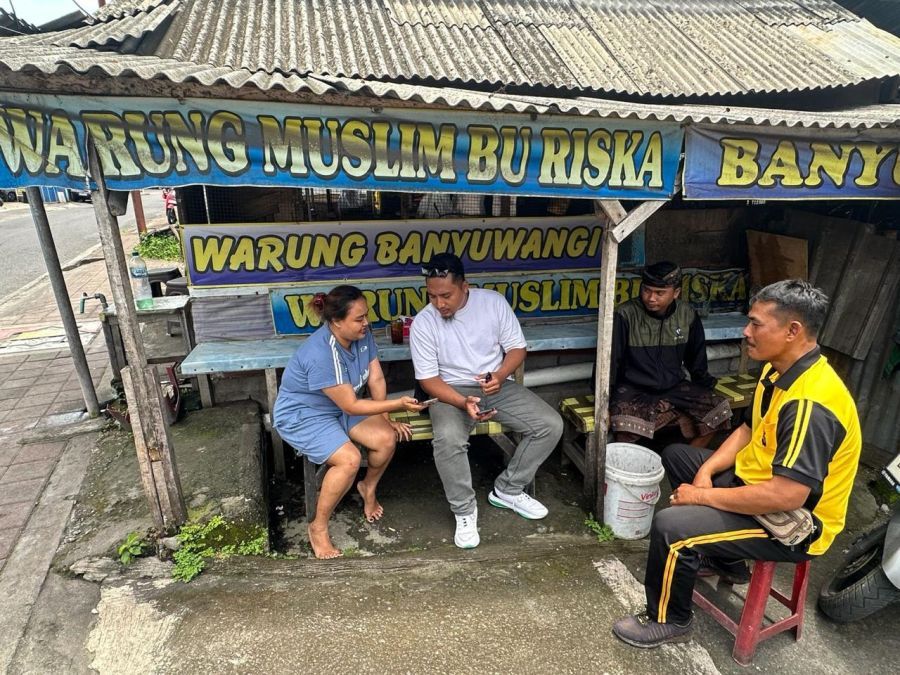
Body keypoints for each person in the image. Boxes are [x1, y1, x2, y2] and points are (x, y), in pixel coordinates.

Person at [612, 279, 861, 648]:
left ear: (793, 331)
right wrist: (706, 473)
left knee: (670, 527)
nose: (746, 331)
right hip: (755, 485)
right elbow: (747, 429)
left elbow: (787, 495)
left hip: (794, 524)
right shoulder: (778, 370)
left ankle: (669, 620)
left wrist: (702, 499)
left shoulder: (812, 403)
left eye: (756, 323)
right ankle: (728, 561)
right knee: (679, 455)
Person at [409, 253, 564, 549]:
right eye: (432, 296)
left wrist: (499, 374)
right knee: (449, 440)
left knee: (549, 424)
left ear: (464, 286)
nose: (439, 303)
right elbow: (429, 381)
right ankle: (465, 510)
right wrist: (461, 401)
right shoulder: (423, 323)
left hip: (495, 384)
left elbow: (517, 348)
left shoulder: (492, 303)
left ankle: (508, 489)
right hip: (447, 390)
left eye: (446, 295)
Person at [273, 285, 424, 559]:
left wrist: (387, 418)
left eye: (366, 315)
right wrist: (399, 404)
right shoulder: (322, 353)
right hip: (305, 415)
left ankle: (368, 487)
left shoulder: (363, 338)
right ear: (336, 321)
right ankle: (317, 527)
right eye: (358, 319)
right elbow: (351, 405)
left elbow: (376, 379)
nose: (366, 323)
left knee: (386, 439)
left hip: (339, 407)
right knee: (349, 460)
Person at [609, 261, 731, 448]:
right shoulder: (626, 314)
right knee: (625, 425)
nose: (651, 298)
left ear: (675, 293)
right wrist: (605, 399)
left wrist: (704, 386)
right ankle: (629, 469)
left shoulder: (687, 314)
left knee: (718, 409)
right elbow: (611, 362)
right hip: (633, 388)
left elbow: (696, 358)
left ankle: (686, 461)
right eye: (647, 290)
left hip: (673, 386)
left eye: (659, 293)